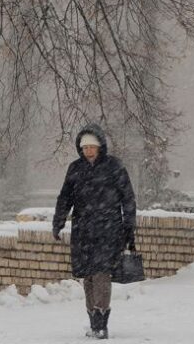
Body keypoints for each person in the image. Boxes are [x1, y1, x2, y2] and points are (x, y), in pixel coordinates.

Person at [52, 124, 137, 339]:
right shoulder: (75, 168)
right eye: (85, 147)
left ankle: (101, 322)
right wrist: (58, 221)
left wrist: (129, 226)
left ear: (100, 147)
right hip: (83, 229)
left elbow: (128, 197)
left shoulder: (114, 167)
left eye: (92, 147)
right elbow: (65, 198)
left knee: (101, 274)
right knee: (88, 275)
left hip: (108, 229)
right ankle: (93, 321)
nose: (88, 151)